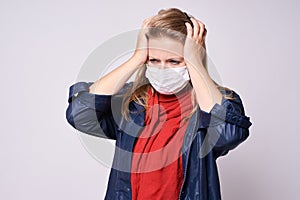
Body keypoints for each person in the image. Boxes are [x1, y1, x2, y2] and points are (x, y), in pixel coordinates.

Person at [66, 7, 252, 200]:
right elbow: (80, 115)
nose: (163, 69)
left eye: (174, 61)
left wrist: (195, 60)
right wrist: (136, 58)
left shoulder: (213, 103)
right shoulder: (133, 103)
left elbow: (229, 135)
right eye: (154, 59)